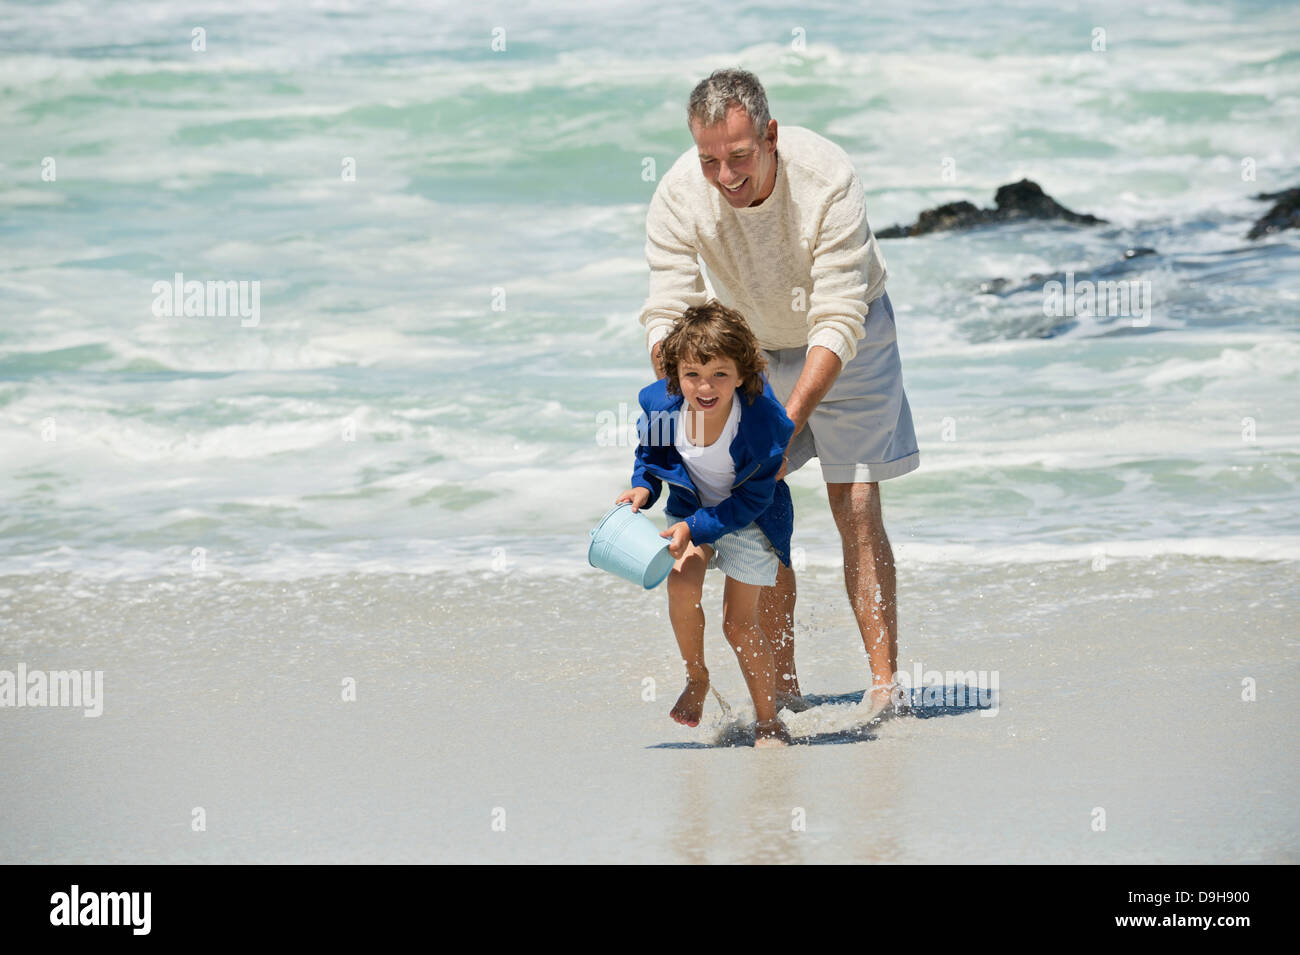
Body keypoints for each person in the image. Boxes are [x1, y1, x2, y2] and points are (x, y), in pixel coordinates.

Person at [638, 68, 920, 724]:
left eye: (739, 156)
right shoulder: (681, 191)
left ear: (769, 135)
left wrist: (778, 428)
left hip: (852, 341)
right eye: (710, 160)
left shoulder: (826, 177)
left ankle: (884, 687)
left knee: (854, 501)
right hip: (749, 352)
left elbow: (838, 318)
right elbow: (669, 316)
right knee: (758, 512)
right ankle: (785, 687)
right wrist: (688, 411)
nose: (726, 176)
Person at [616, 301, 795, 747]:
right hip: (691, 511)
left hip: (750, 519)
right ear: (675, 373)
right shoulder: (661, 404)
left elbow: (753, 498)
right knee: (680, 583)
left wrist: (695, 528)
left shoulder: (763, 424)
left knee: (738, 624)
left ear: (742, 374)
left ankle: (769, 720)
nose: (705, 386)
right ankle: (697, 678)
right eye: (693, 373)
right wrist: (643, 489)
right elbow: (651, 455)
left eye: (720, 373)